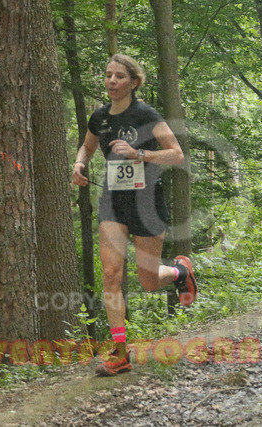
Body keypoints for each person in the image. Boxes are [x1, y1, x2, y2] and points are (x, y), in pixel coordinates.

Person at [71, 54, 197, 376]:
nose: (112, 81)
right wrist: (80, 163)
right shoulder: (99, 117)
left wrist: (140, 153)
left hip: (147, 202)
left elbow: (176, 154)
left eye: (119, 76)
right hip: (113, 203)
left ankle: (180, 271)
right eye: (108, 75)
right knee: (111, 274)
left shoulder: (146, 115)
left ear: (134, 82)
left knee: (148, 280)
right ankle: (119, 352)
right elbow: (87, 147)